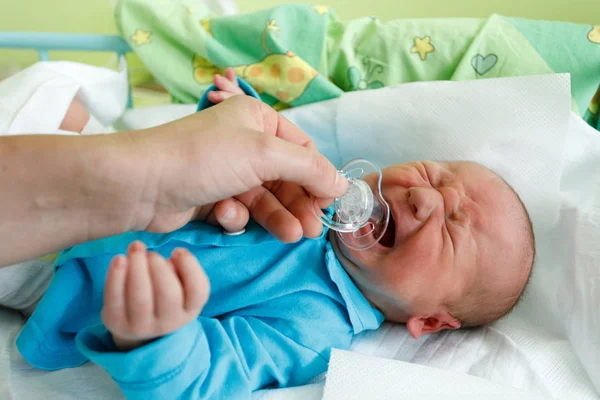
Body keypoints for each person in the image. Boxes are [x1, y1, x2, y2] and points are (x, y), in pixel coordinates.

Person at [13, 70, 536, 399]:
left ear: (430, 320)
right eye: (431, 174)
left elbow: (214, 373)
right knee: (56, 87)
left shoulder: (314, 326)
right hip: (110, 174)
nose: (425, 199)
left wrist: (156, 335)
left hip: (65, 272)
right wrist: (231, 113)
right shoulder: (310, 180)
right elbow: (221, 163)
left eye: (450, 231)